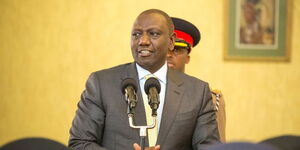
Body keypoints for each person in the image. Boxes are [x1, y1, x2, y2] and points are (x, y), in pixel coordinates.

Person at [68, 9, 220, 150]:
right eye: (136, 34)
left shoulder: (197, 92)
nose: (143, 41)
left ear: (171, 41)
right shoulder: (101, 84)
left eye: (153, 34)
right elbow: (79, 143)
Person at [167, 17, 226, 142]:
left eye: (176, 49)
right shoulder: (134, 92)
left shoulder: (209, 98)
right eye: (164, 49)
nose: (168, 55)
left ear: (187, 58)